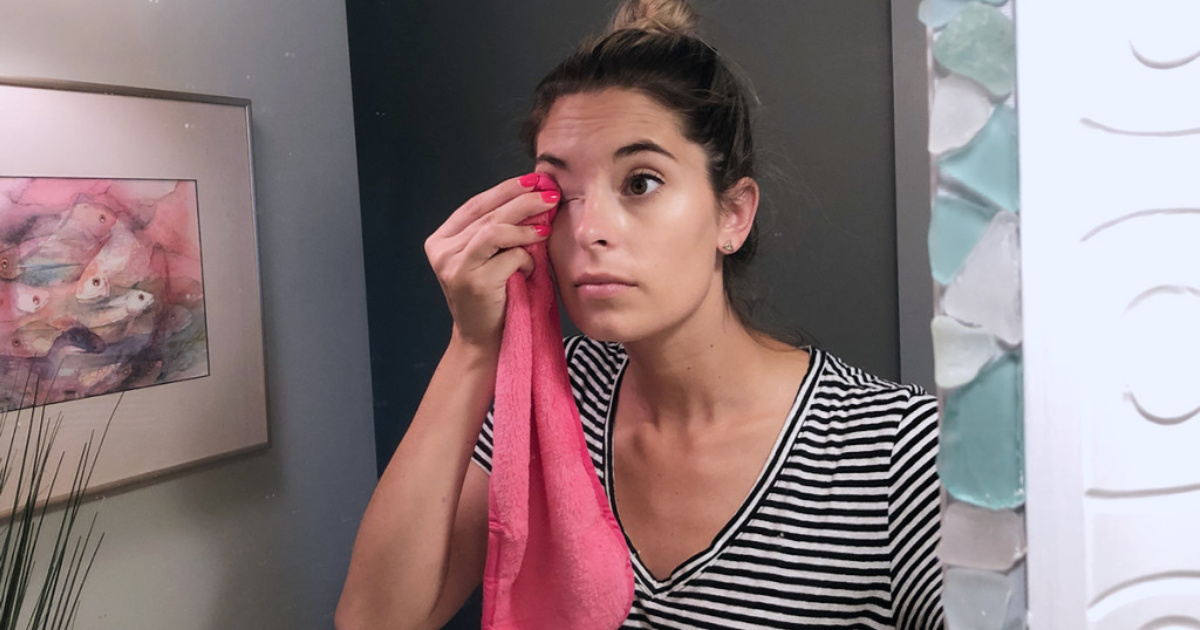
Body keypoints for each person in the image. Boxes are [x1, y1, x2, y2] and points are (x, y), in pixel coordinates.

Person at [336, 0, 944, 627]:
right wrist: (471, 345)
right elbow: (375, 621)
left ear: (732, 214)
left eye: (641, 182)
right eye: (561, 194)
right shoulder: (558, 393)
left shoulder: (897, 454)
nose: (589, 230)